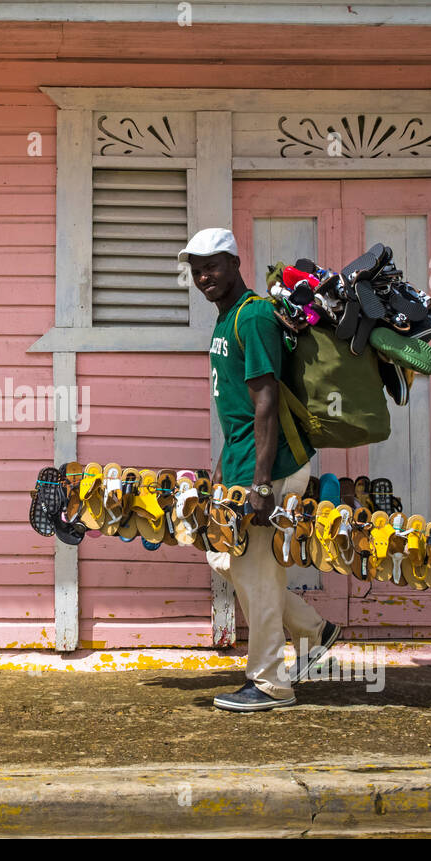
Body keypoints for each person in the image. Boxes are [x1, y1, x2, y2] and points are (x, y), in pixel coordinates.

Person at [179, 228, 341, 712]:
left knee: (256, 575)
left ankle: (270, 683)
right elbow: (235, 409)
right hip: (243, 462)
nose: (204, 275)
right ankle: (315, 632)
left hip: (269, 468)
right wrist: (226, 469)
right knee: (226, 558)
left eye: (213, 265)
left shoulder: (251, 318)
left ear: (234, 262)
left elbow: (265, 402)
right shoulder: (227, 318)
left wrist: (260, 483)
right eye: (196, 268)